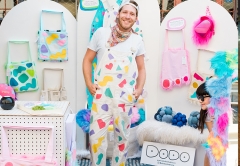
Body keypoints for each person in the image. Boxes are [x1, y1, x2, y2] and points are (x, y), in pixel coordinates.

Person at [82, 1, 146, 165]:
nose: (128, 16)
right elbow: (87, 60)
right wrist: (89, 83)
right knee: (96, 139)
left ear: (136, 18)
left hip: (124, 97)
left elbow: (141, 68)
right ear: (118, 14)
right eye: (125, 12)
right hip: (101, 95)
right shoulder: (101, 33)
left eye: (132, 14)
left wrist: (138, 90)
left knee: (122, 139)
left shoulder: (137, 40)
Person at [196, 82, 213, 166]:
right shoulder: (206, 114)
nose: (200, 100)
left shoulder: (221, 112)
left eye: (202, 97)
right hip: (213, 144)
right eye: (198, 97)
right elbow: (212, 132)